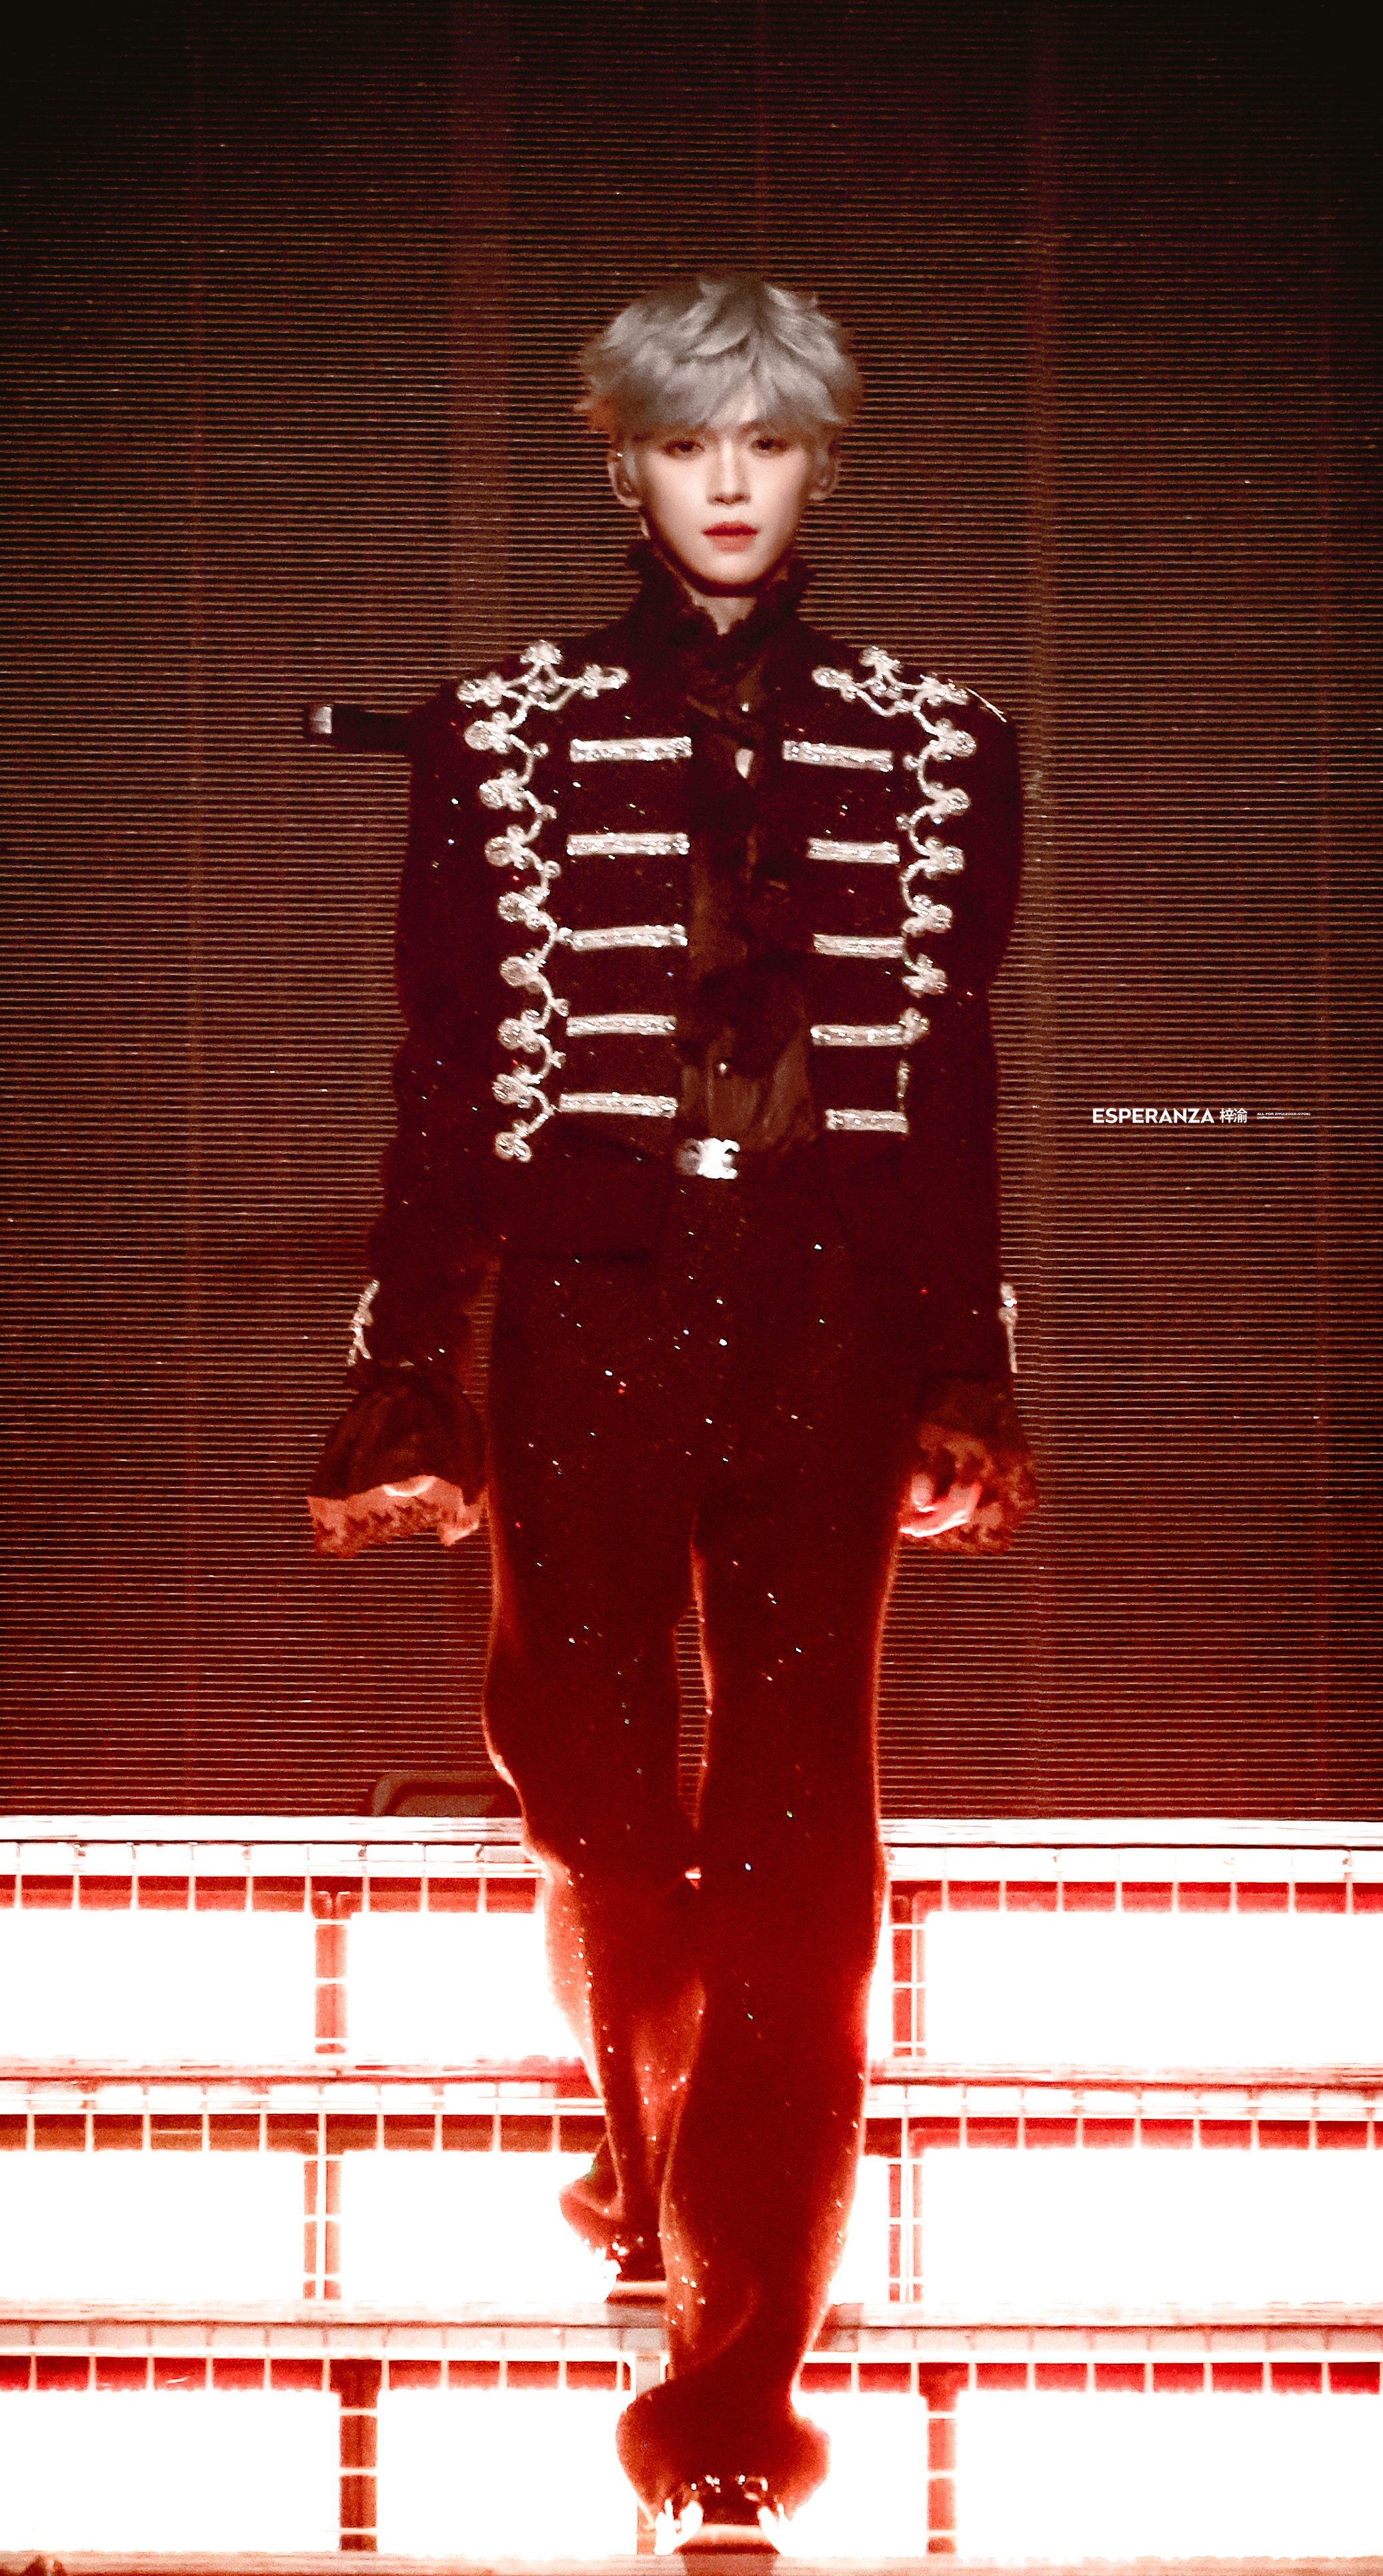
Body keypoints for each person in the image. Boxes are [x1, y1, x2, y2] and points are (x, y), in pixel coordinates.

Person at [307, 275, 1036, 2553]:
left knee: (802, 1843)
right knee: (599, 1800)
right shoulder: (494, 735)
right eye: (690, 441)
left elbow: (948, 1076)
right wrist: (404, 1366)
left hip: (829, 1309)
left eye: (771, 441)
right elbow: (449, 1067)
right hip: (589, 1306)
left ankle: (736, 2402)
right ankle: (641, 2163)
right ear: (624, 468)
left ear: (818, 467)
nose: (732, 482)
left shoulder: (946, 743)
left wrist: (966, 1364)